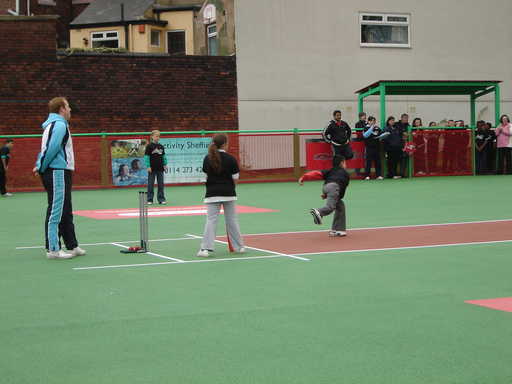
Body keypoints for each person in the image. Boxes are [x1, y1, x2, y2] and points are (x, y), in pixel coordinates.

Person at [33, 97, 86, 260]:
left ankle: (72, 245)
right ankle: (53, 249)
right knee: (56, 210)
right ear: (62, 108)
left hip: (62, 171)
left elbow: (46, 149)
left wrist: (39, 164)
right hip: (56, 171)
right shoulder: (59, 125)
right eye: (68, 106)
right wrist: (41, 166)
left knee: (65, 208)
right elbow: (51, 148)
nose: (70, 110)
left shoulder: (58, 125)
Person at [197, 133, 245, 257]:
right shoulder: (231, 159)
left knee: (211, 220)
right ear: (224, 144)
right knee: (232, 220)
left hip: (212, 194)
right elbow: (236, 178)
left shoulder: (207, 158)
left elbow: (205, 177)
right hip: (229, 194)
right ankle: (239, 247)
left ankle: (205, 249)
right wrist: (230, 188)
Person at [299, 155, 350, 237]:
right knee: (330, 207)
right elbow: (342, 188)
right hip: (334, 187)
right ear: (341, 163)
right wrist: (333, 196)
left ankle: (337, 230)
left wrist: (304, 177)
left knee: (340, 205)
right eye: (345, 163)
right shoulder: (345, 174)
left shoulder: (330, 171)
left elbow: (317, 173)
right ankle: (318, 212)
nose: (346, 165)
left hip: (326, 187)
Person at [144, 130, 168, 205]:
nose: (158, 138)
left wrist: (165, 164)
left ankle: (161, 199)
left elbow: (163, 156)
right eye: (156, 136)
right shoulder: (149, 146)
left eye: (159, 136)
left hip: (160, 169)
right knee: (150, 184)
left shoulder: (161, 146)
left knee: (161, 184)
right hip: (152, 169)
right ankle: (149, 199)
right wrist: (148, 166)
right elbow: (146, 157)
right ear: (152, 137)